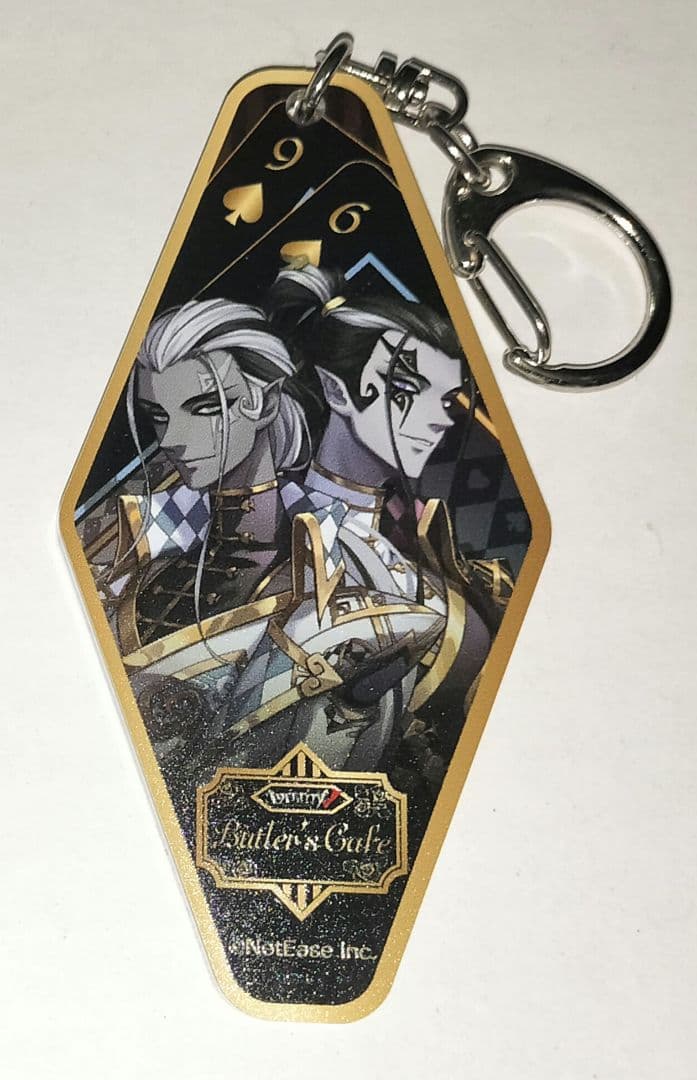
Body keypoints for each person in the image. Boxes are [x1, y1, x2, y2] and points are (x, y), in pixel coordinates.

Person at [139, 267, 509, 782]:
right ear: (336, 390)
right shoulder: (244, 502)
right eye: (408, 389)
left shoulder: (412, 560)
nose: (439, 418)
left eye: (445, 400)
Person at [108, 298, 310, 655]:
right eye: (159, 415)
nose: (170, 439)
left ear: (266, 403)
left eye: (205, 408)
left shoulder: (324, 558)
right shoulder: (149, 541)